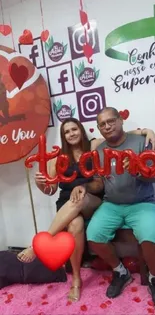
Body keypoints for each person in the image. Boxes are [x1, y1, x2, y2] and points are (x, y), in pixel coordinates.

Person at [17, 117, 155, 302]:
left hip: (91, 200)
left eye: (74, 129)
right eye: (67, 131)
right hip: (66, 204)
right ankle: (76, 279)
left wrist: (146, 131)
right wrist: (39, 183)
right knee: (75, 224)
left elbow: (116, 133)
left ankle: (40, 242)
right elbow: (49, 190)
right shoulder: (56, 159)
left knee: (80, 198)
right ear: (63, 136)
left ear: (81, 130)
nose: (71, 133)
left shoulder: (94, 146)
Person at [86, 107, 155, 303]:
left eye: (111, 121)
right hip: (112, 204)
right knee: (93, 236)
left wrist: (137, 171)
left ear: (120, 120)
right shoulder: (99, 151)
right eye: (102, 124)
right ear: (99, 129)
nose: (107, 126)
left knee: (150, 237)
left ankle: (153, 277)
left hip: (142, 202)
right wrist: (84, 187)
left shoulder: (142, 142)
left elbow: (153, 177)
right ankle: (120, 271)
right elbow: (100, 183)